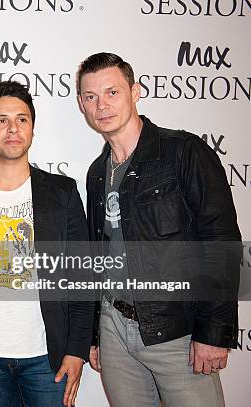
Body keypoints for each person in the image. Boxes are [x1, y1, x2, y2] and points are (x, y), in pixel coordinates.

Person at [77, 52, 241, 406]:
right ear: (81, 104)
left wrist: (213, 332)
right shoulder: (96, 173)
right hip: (115, 328)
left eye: (112, 92)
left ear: (135, 92)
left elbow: (221, 243)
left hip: (177, 332)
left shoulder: (184, 153)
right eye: (90, 97)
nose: (101, 105)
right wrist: (95, 334)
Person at [0, 81, 94, 407]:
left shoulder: (62, 192)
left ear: (32, 129)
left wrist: (77, 350)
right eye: (1, 120)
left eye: (22, 119)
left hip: (48, 357)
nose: (13, 128)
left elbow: (82, 277)